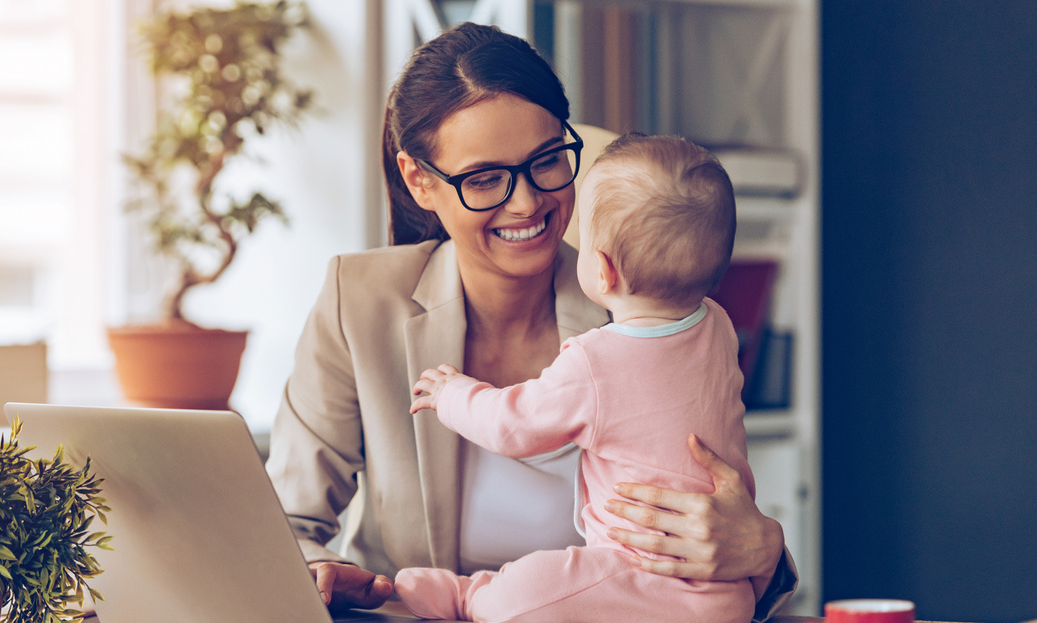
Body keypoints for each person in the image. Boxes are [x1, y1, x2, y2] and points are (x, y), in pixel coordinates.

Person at [264, 21, 796, 621]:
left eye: (546, 161)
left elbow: (717, 500)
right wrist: (320, 574)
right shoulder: (357, 301)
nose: (527, 202)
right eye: (485, 178)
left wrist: (764, 548)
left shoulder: (646, 304)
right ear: (420, 181)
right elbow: (283, 522)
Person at [393, 133, 754, 622]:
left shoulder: (597, 360)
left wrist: (453, 392)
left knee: (535, 584)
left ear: (601, 271)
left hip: (636, 569)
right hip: (726, 594)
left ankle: (470, 597)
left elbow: (511, 425)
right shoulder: (718, 327)